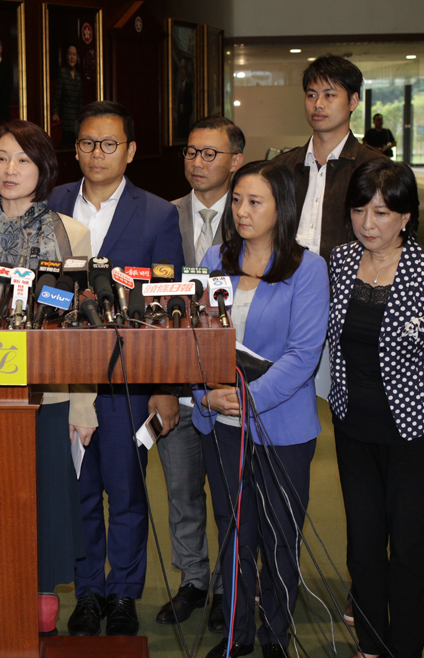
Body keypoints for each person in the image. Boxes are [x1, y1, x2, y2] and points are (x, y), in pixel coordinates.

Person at [46, 101, 183, 637]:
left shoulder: (158, 213)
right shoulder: (53, 204)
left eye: (108, 144)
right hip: (66, 377)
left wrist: (165, 387)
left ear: (130, 151)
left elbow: (168, 305)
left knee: (126, 494)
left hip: (130, 380)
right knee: (78, 492)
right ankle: (88, 593)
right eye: (86, 143)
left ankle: (124, 593)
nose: (96, 153)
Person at [329, 159, 424, 658]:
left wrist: (411, 384)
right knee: (363, 545)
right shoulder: (341, 261)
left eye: (382, 213)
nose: (368, 224)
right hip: (353, 426)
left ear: (406, 216)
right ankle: (371, 644)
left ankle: (405, 649)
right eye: (359, 211)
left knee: (409, 548)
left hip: (414, 432)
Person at [0, 119, 93, 637]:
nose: (10, 169)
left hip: (50, 391)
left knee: (45, 497)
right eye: (2, 158)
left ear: (43, 169)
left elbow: (80, 325)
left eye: (23, 160)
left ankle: (40, 589)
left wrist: (84, 406)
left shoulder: (70, 232)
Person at [194, 160, 330, 658]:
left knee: (278, 535)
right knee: (234, 532)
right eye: (237, 200)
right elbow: (192, 338)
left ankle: (275, 635)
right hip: (221, 423)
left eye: (255, 202)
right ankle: (236, 635)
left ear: (282, 208)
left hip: (281, 427)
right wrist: (204, 394)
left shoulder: (308, 268)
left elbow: (303, 355)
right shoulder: (214, 258)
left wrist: (249, 399)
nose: (241, 211)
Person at [153, 116, 245, 634]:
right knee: (182, 491)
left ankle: (231, 586)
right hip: (176, 381)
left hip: (229, 386)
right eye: (191, 152)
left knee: (231, 497)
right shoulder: (162, 216)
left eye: (211, 153)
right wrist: (162, 385)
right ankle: (193, 579)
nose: (197, 162)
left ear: (236, 160)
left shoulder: (253, 213)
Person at [273, 55, 386, 262]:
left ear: (353, 101)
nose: (318, 104)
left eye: (329, 95)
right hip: (286, 278)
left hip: (349, 279)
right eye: (311, 95)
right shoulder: (282, 166)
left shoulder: (376, 168)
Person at [51, 45, 83, 146]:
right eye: (70, 54)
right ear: (66, 56)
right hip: (65, 121)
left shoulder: (79, 76)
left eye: (74, 54)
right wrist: (55, 113)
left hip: (76, 121)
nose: (72, 57)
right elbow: (56, 97)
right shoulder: (63, 73)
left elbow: (80, 101)